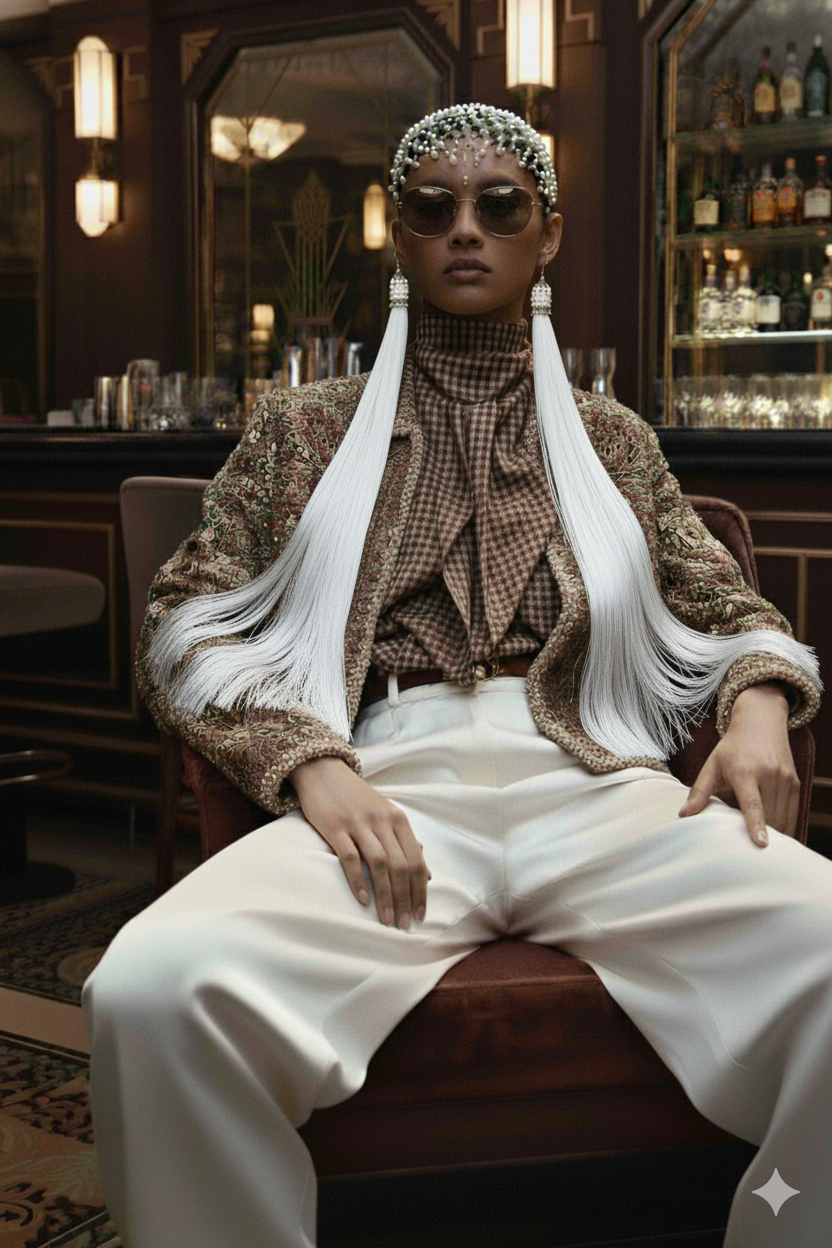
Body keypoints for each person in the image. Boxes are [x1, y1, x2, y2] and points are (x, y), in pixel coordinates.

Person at [83, 105, 831, 1248]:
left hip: (595, 779)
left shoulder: (611, 441)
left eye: (500, 207)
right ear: (398, 233)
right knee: (150, 991)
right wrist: (308, 767)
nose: (464, 230)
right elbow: (181, 624)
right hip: (382, 788)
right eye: (432, 208)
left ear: (550, 234)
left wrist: (761, 707)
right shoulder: (300, 431)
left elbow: (726, 606)